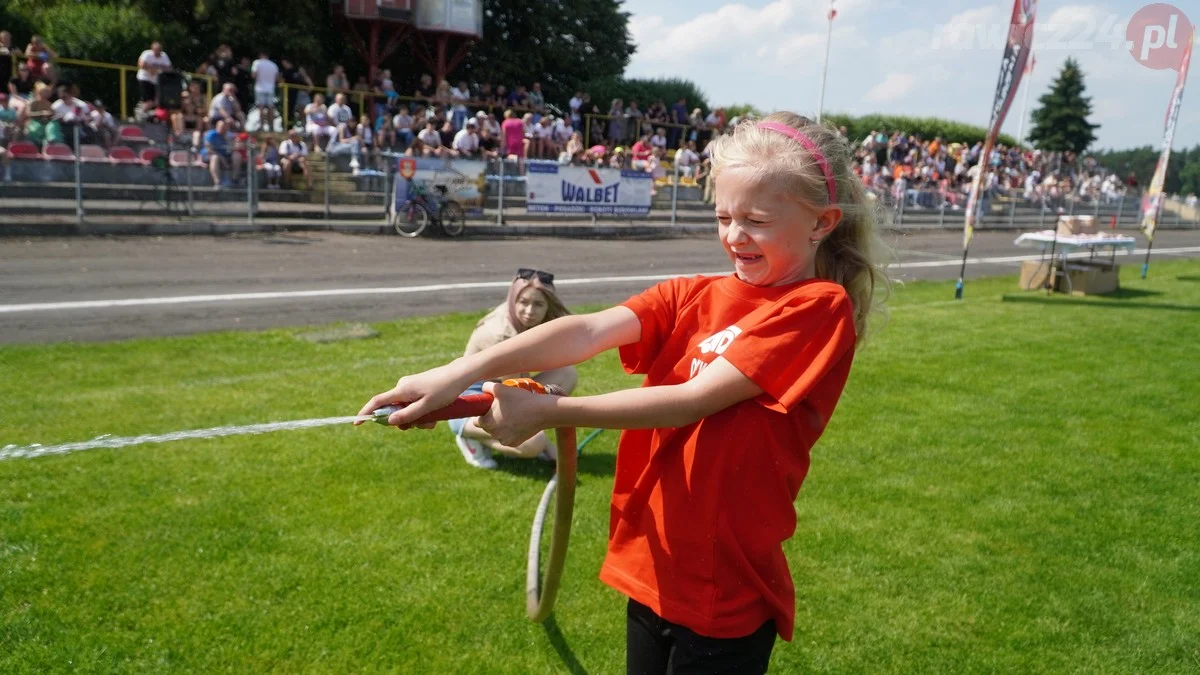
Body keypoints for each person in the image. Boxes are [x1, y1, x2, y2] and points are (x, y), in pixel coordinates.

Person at [356, 112, 889, 673]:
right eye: (724, 216)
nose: (734, 235)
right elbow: (585, 331)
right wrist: (457, 373)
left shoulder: (816, 308)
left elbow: (693, 399)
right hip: (653, 556)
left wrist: (550, 410)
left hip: (723, 588)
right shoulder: (694, 292)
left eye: (755, 220)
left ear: (821, 223)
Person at [440, 269, 576, 469]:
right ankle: (470, 436)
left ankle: (515, 436)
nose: (530, 311)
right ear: (514, 300)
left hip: (496, 391)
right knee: (534, 445)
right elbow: (515, 395)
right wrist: (550, 449)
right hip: (467, 405)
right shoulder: (503, 335)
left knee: (566, 374)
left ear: (549, 305)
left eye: (538, 304)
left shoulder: (521, 318)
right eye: (524, 303)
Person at [136, 42, 172, 110]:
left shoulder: (164, 56)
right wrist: (155, 69)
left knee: (156, 100)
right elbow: (141, 64)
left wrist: (153, 69)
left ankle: (146, 112)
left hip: (156, 81)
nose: (156, 52)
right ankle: (142, 112)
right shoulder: (147, 54)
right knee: (147, 99)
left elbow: (169, 68)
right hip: (145, 78)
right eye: (155, 50)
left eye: (158, 50)